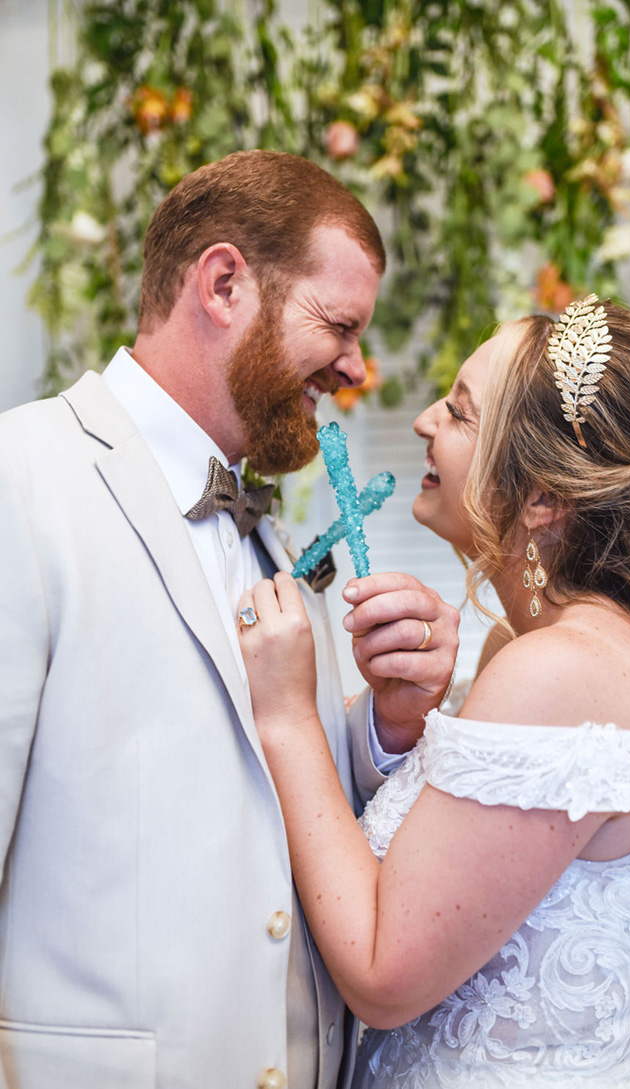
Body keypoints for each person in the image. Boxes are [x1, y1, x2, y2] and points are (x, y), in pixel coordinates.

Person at [0, 150, 459, 1089]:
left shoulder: (268, 533)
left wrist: (390, 723)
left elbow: (269, 790)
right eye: (337, 326)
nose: (356, 369)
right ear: (223, 284)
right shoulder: (23, 482)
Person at [238, 295, 630, 1088]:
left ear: (543, 499)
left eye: (462, 413)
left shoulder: (559, 671)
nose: (424, 420)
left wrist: (290, 714)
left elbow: (382, 971)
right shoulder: (547, 648)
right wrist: (404, 719)